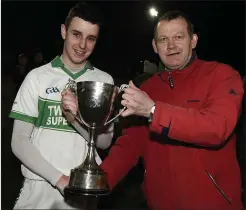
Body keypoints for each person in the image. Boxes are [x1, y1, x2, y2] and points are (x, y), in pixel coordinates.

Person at [62, 10, 244, 210]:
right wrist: (96, 186)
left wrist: (154, 110)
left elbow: (217, 127)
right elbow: (130, 145)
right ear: (155, 47)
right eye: (163, 39)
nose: (171, 45)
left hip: (213, 204)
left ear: (193, 40)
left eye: (178, 37)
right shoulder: (148, 89)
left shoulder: (222, 75)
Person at [9, 2, 114, 209]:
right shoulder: (37, 77)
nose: (82, 45)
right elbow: (19, 140)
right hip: (39, 186)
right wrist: (58, 179)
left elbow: (103, 143)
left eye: (90, 38)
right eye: (76, 34)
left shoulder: (104, 81)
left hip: (83, 189)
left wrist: (74, 118)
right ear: (64, 31)